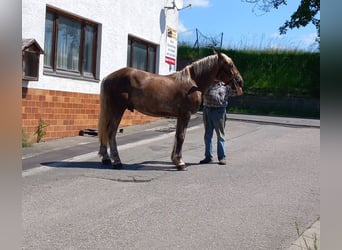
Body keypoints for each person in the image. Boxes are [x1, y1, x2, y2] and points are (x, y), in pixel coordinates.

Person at [199, 80, 242, 165]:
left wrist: (237, 85)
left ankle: (222, 157)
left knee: (220, 136)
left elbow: (239, 92)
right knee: (207, 135)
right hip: (207, 110)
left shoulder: (225, 86)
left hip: (219, 111)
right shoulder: (207, 84)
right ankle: (208, 157)